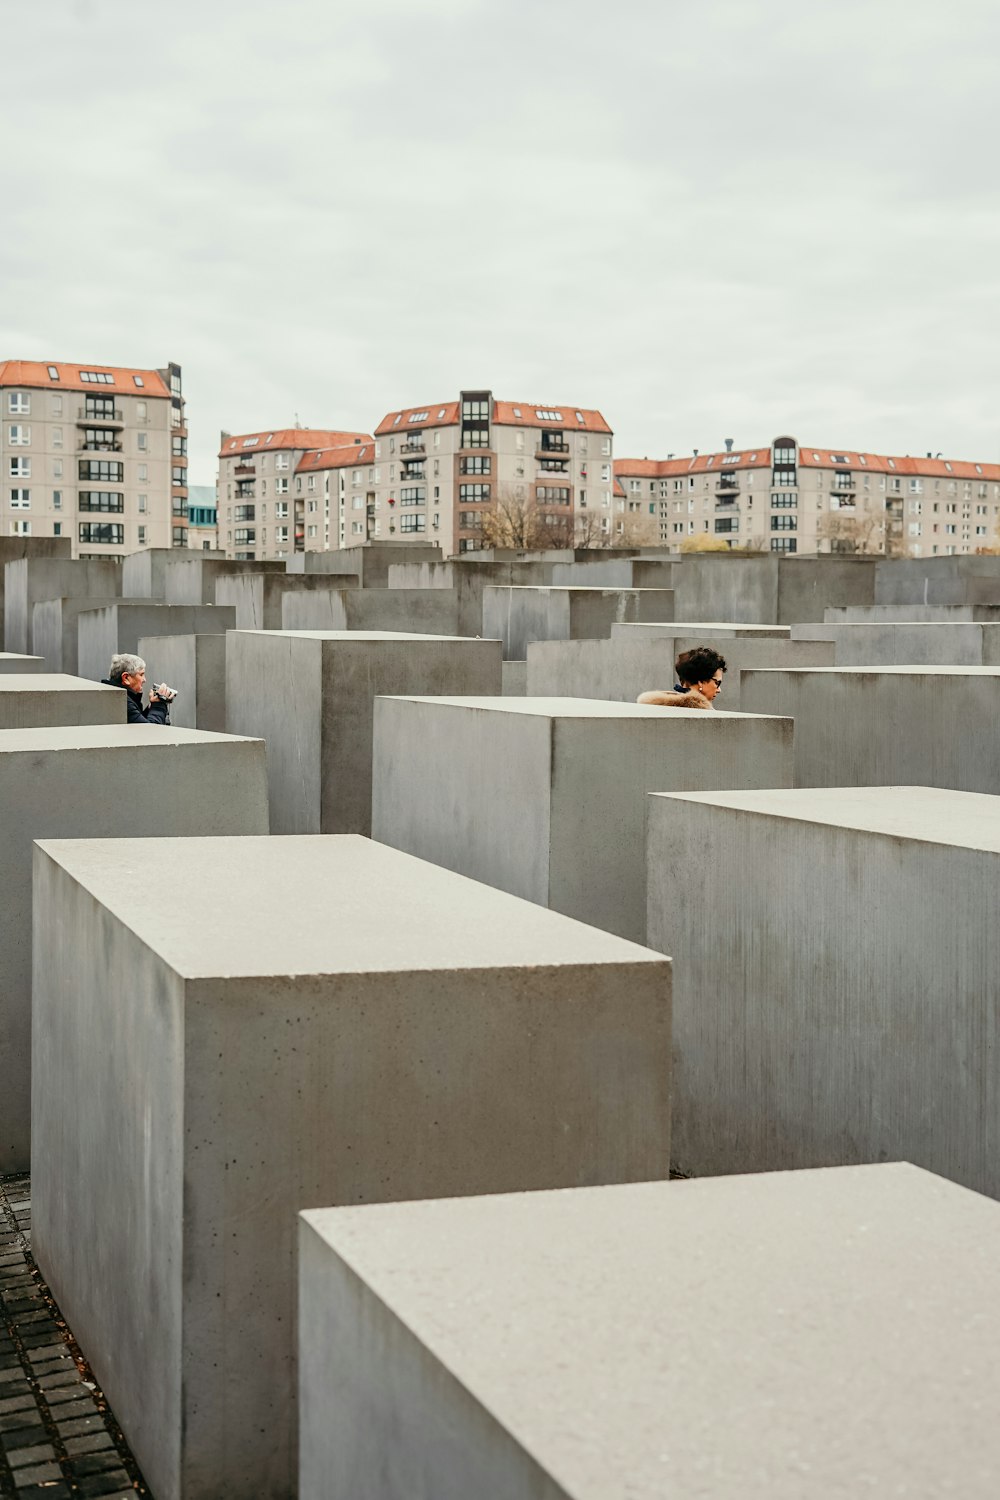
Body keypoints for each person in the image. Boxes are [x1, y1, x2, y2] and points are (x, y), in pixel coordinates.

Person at [636, 646, 727, 710]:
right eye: (717, 683)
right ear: (701, 682)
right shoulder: (704, 717)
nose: (719, 690)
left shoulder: (652, 706)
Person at [101, 653, 176, 725]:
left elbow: (137, 720)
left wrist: (152, 706)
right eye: (141, 674)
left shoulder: (115, 696)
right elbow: (149, 731)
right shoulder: (121, 701)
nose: (144, 680)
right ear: (126, 678)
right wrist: (159, 705)